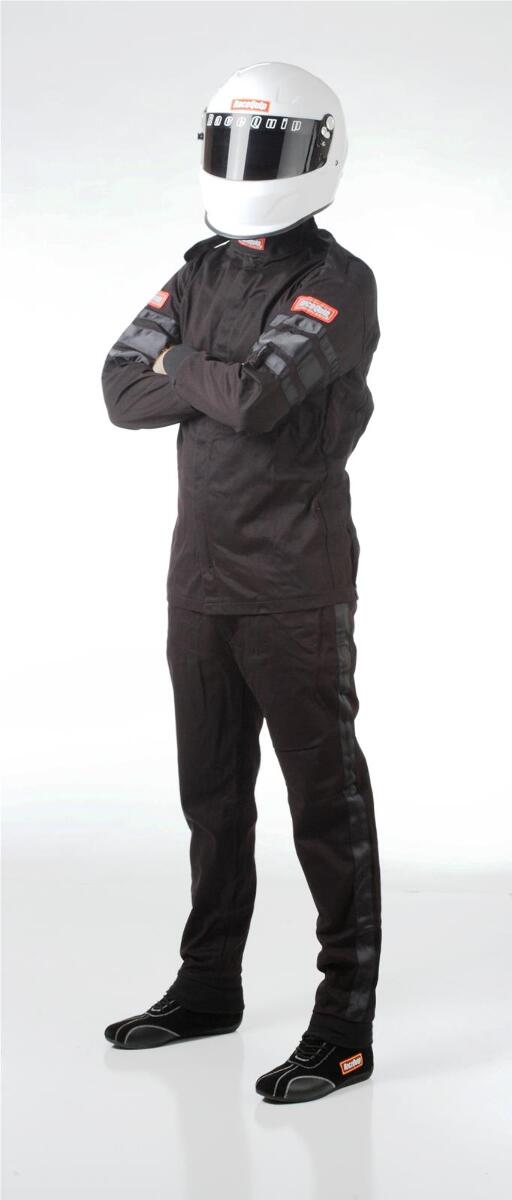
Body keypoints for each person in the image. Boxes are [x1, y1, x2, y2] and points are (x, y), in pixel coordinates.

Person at [101, 61, 382, 1105]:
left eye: (271, 147)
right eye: (234, 143)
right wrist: (201, 374)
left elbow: (258, 401)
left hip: (295, 584)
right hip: (200, 582)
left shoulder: (338, 282)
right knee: (213, 801)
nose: (249, 166)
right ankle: (208, 985)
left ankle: (342, 1027)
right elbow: (117, 388)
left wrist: (179, 365)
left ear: (318, 153)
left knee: (324, 809)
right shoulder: (199, 270)